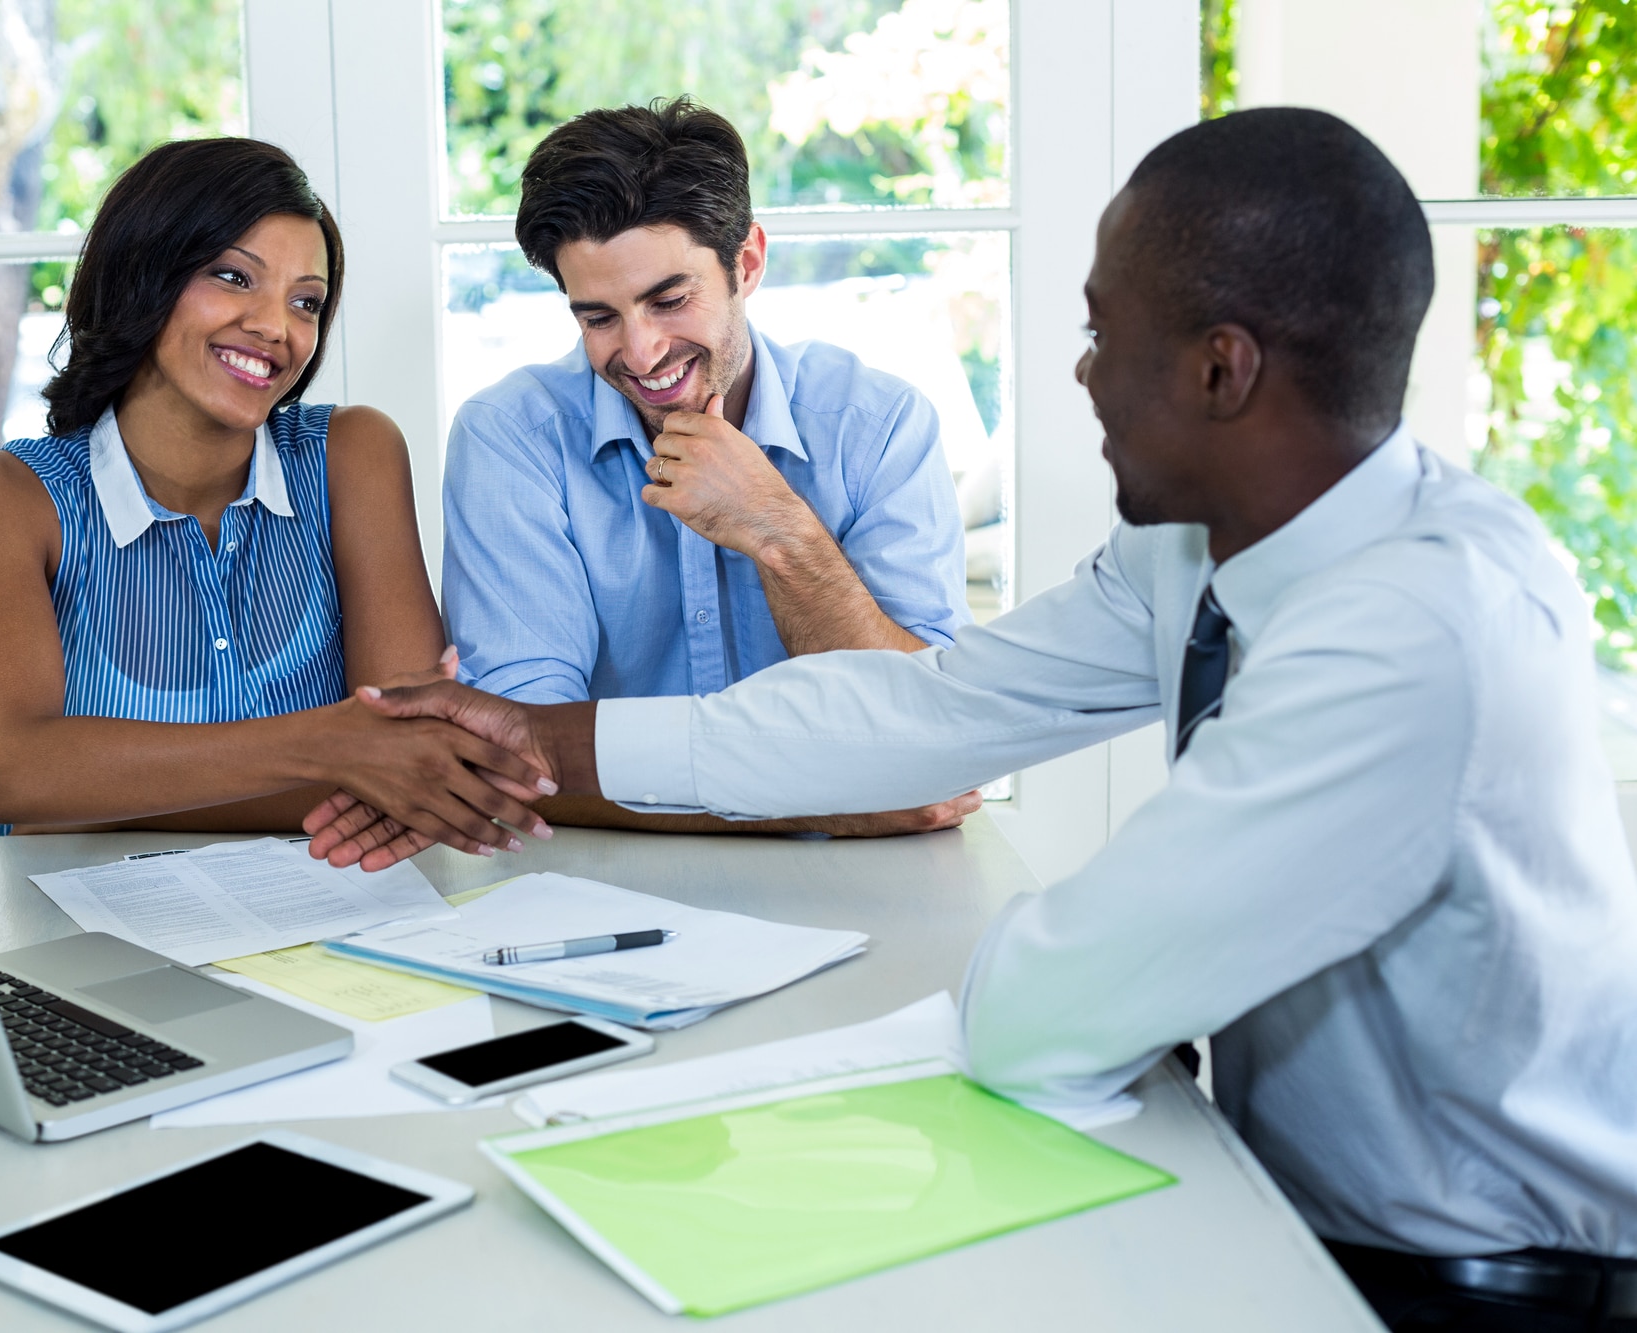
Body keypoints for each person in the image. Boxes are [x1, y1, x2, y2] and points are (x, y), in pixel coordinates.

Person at [315, 109, 1637, 1329]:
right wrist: (535, 737)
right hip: (1290, 1196)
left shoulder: (1408, 628)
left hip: (1483, 1284)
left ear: (1221, 369)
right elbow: (932, 709)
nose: (1076, 373)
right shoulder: (1200, 551)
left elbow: (1036, 1007)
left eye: (1100, 332)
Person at [0, 137, 553, 859]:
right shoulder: (4, 497)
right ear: (140, 275)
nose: (275, 327)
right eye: (233, 277)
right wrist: (330, 746)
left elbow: (411, 762)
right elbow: (18, 776)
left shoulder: (351, 456)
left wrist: (99, 792)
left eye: (306, 302)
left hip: (327, 914)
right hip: (69, 929)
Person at [441, 96, 979, 838]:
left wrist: (778, 531)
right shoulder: (511, 437)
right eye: (597, 316)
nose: (639, 352)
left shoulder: (877, 426)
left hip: (863, 870)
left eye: (668, 299)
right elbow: (516, 754)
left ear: (746, 262)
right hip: (602, 870)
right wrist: (803, 802)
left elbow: (934, 734)